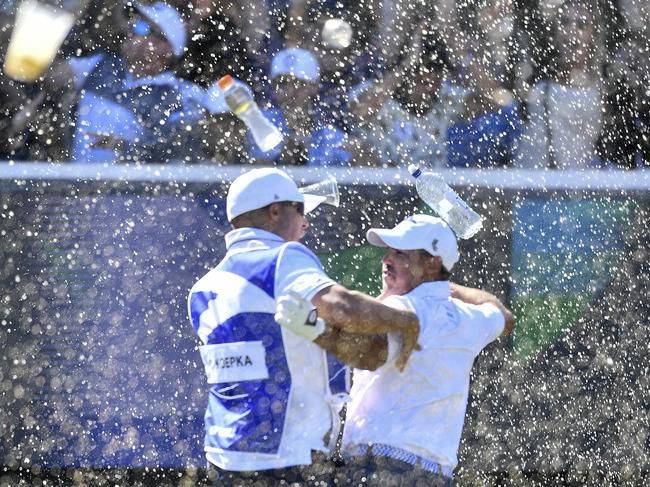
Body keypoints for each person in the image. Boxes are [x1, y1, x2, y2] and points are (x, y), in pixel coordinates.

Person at [187, 168, 421, 485]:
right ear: (274, 211)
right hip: (289, 456)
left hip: (224, 456)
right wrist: (404, 319)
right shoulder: (283, 256)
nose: (306, 223)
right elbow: (342, 307)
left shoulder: (202, 288)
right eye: (301, 211)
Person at [338, 214, 515, 486]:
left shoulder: (398, 311)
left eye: (400, 254)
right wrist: (444, 286)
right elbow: (504, 315)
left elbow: (359, 353)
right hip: (436, 476)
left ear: (432, 264)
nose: (387, 259)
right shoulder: (469, 319)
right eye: (388, 252)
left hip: (376, 468)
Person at [66, 1, 213, 164]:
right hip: (70, 186)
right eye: (134, 23)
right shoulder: (101, 65)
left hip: (131, 189)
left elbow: (180, 150)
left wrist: (127, 147)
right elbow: (48, 72)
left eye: (142, 27)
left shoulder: (183, 96)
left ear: (165, 48)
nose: (131, 31)